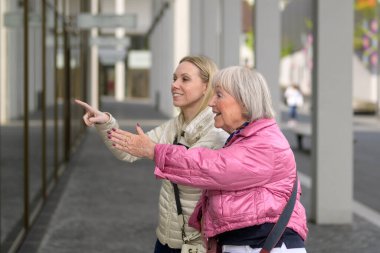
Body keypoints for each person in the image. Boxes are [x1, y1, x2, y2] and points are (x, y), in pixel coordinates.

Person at [108, 66, 308, 253]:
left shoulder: (265, 144)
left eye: (219, 95)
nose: (211, 102)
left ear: (245, 102)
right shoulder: (246, 139)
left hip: (261, 245)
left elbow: (209, 167)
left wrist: (155, 151)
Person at [75, 55, 228, 253]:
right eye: (174, 78)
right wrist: (105, 122)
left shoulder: (217, 132)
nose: (175, 85)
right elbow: (128, 152)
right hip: (165, 241)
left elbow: (190, 167)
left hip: (198, 246)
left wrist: (154, 150)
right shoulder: (175, 126)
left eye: (185, 79)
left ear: (206, 87)